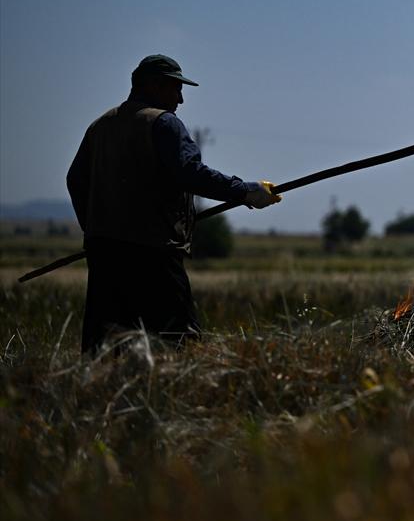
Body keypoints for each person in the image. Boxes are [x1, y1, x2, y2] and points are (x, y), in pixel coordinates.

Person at [67, 54, 281, 354]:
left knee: (107, 349)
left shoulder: (99, 126)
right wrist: (246, 191)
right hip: (153, 254)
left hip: (104, 255)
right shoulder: (163, 123)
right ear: (155, 86)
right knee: (177, 343)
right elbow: (190, 174)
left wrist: (95, 230)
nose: (180, 99)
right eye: (175, 88)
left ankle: (98, 400)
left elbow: (75, 181)